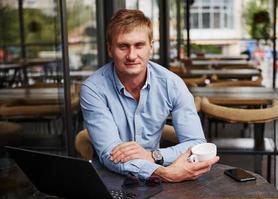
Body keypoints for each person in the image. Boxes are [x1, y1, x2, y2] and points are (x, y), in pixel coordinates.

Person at [80, 9, 219, 182]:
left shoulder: (171, 84)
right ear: (110, 49)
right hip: (110, 178)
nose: (132, 55)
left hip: (158, 174)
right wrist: (163, 173)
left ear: (150, 47)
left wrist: (153, 156)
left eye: (139, 45)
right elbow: (110, 154)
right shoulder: (93, 89)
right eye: (123, 46)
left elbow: (197, 143)